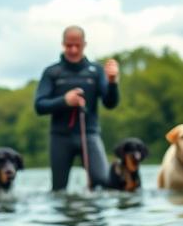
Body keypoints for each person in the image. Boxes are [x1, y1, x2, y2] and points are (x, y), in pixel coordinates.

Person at [34, 25, 119, 190]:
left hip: (89, 134)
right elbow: (39, 106)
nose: (73, 49)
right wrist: (64, 101)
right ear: (63, 44)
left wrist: (112, 82)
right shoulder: (52, 72)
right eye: (69, 45)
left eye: (77, 45)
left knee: (104, 182)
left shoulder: (95, 71)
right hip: (60, 137)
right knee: (58, 189)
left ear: (84, 44)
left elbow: (110, 103)